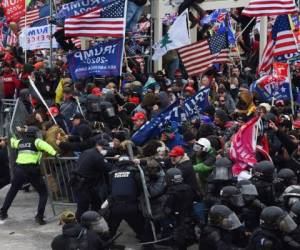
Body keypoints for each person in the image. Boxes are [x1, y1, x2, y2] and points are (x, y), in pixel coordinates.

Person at [0, 125, 57, 225]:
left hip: (19, 170)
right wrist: (55, 154)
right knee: (43, 193)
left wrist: (11, 135)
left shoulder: (21, 142)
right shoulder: (37, 141)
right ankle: (39, 217)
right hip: (32, 170)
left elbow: (13, 143)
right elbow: (48, 147)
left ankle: (3, 212)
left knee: (12, 191)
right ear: (35, 134)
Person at [107, 154, 154, 248]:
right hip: (131, 206)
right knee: (141, 230)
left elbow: (111, 188)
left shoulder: (112, 173)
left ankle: (106, 246)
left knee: (110, 231)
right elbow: (142, 188)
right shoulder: (134, 172)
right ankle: (149, 247)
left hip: (115, 207)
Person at [70, 139, 110, 221]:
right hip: (83, 184)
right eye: (104, 148)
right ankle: (80, 225)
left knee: (96, 202)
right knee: (83, 207)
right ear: (98, 146)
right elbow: (107, 168)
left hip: (81, 182)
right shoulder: (97, 157)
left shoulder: (87, 151)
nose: (105, 150)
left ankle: (93, 220)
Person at [163, 168, 196, 250]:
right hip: (190, 217)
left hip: (177, 220)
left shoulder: (171, 192)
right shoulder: (189, 188)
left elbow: (167, 210)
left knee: (178, 242)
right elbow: (197, 198)